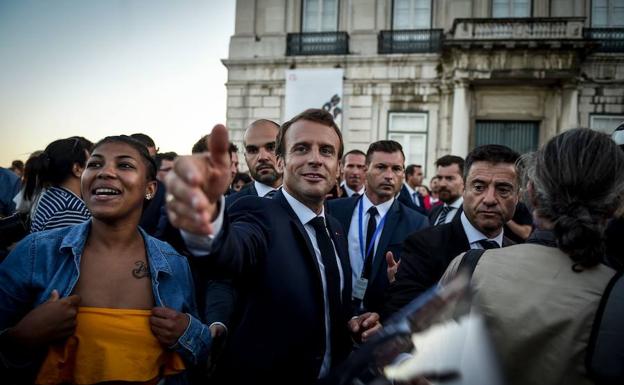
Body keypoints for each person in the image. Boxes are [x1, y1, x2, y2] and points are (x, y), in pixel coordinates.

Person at [164, 109, 382, 385]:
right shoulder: (258, 213)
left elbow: (328, 299)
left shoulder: (336, 227)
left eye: (326, 151)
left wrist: (354, 322)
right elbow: (233, 251)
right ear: (281, 162)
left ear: (338, 167)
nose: (315, 159)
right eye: (302, 149)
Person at [0, 135, 210, 384]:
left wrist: (186, 331)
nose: (105, 172)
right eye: (95, 164)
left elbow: (202, 353)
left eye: (124, 165)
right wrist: (22, 337)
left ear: (150, 188)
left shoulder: (173, 263)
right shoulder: (36, 252)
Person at [441, 128, 623, 385]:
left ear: (530, 193)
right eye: (479, 186)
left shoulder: (469, 266)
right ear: (615, 205)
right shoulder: (615, 292)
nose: (490, 199)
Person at [384, 144, 519, 318]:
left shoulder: (518, 254)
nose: (490, 199)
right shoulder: (423, 246)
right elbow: (402, 317)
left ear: (518, 196)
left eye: (503, 189)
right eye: (479, 187)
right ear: (464, 189)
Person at [328, 141, 429, 315]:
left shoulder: (417, 223)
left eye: (396, 169)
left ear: (403, 174)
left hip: (382, 324)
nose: (389, 175)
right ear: (366, 170)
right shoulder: (334, 210)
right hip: (335, 317)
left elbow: (418, 288)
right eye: (381, 167)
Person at [28, 137, 93, 232]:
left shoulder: (55, 195)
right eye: (91, 165)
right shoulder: (68, 211)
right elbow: (70, 246)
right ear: (77, 169)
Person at [226, 119, 283, 206]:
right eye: (253, 150)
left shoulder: (307, 201)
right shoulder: (229, 207)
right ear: (245, 158)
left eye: (271, 147)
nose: (262, 157)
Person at [428, 155, 465, 226]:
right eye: (439, 178)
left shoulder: (471, 215)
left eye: (449, 178)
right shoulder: (433, 212)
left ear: (464, 180)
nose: (442, 184)